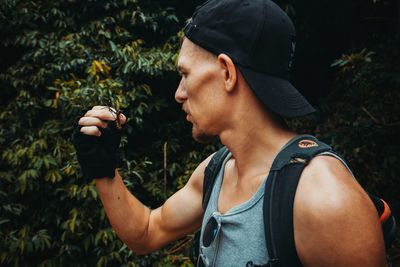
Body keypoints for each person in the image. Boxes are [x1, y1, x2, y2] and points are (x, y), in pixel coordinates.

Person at [72, 0, 387, 266]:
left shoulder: (326, 202)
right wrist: (104, 170)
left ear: (226, 72)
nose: (179, 93)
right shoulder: (215, 172)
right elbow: (146, 233)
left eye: (185, 74)